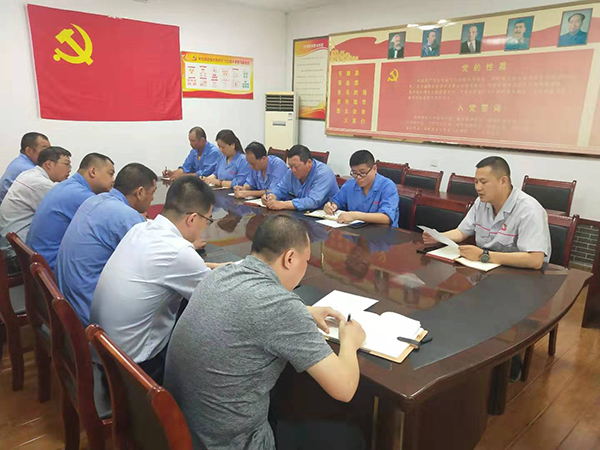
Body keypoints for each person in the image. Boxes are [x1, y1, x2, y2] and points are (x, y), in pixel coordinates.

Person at [164, 215, 366, 450]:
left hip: (179, 430)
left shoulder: (220, 274)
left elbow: (249, 306)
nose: (304, 269)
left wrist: (304, 310)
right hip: (231, 443)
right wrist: (350, 341)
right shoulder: (280, 306)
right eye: (306, 261)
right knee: (350, 438)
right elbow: (345, 388)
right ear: (290, 258)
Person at [91, 177, 226, 384]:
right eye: (207, 220)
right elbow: (219, 298)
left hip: (106, 350)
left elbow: (167, 269)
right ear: (192, 219)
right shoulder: (178, 251)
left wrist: (212, 267)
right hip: (136, 367)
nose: (205, 227)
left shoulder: (141, 229)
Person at [56, 163, 157, 325]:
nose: (152, 199)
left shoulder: (96, 200)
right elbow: (154, 261)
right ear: (140, 192)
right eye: (152, 193)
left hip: (69, 300)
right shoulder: (126, 216)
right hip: (88, 312)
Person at [423, 156, 551, 269]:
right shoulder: (481, 202)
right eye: (476, 182)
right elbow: (461, 232)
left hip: (520, 276)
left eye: (483, 182)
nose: (478, 188)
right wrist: (438, 237)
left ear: (503, 181)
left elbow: (535, 260)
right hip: (486, 268)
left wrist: (484, 255)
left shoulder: (529, 210)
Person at [27, 153, 115, 271]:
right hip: (52, 265)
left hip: (41, 259)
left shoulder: (68, 186)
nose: (113, 180)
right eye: (110, 173)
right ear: (93, 172)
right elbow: (112, 225)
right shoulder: (81, 195)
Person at [0, 147, 71, 275]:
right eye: (66, 164)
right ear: (49, 164)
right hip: (15, 255)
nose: (70, 169)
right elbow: (66, 207)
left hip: (11, 246)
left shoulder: (28, 174)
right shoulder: (40, 184)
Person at [324, 150, 399, 227]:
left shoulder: (387, 186)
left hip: (381, 231)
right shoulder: (350, 184)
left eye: (362, 173)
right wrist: (332, 206)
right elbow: (338, 201)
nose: (358, 177)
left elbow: (386, 218)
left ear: (374, 168)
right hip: (355, 229)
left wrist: (356, 216)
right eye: (354, 173)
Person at [262, 145, 339, 211]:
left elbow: (313, 201)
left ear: (309, 163)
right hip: (302, 213)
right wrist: (271, 196)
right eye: (290, 166)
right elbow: (280, 189)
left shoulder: (323, 173)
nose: (293, 170)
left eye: (296, 166)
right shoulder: (291, 172)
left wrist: (283, 204)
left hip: (324, 215)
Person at [0, 132, 51, 203]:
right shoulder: (28, 169)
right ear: (29, 151)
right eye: (45, 150)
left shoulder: (20, 161)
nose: (49, 154)